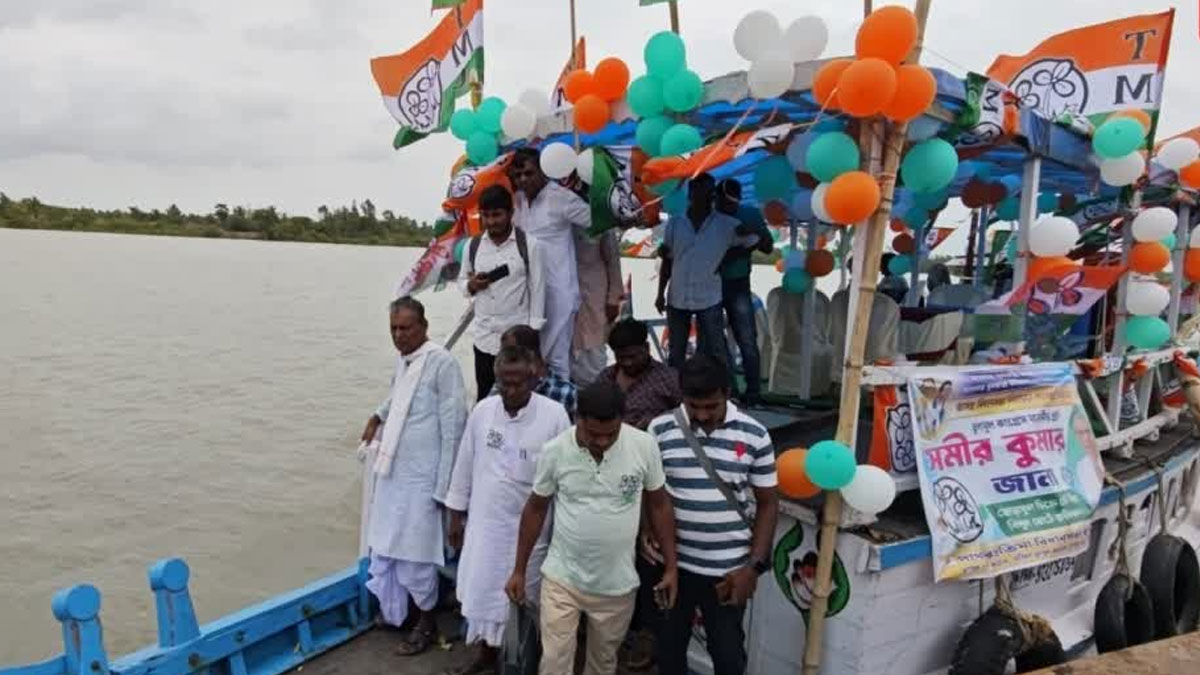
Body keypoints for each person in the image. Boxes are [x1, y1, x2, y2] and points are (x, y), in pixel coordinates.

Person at [505, 381, 680, 675]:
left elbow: (659, 505)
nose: (601, 442)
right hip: (562, 579)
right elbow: (535, 509)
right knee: (554, 663)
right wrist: (519, 570)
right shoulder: (555, 450)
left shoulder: (643, 445)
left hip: (617, 585)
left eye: (610, 435)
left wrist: (671, 567)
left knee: (603, 664)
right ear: (578, 420)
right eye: (593, 435)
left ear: (622, 421)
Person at [444, 346, 572, 675]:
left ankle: (520, 662)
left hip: (531, 529)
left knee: (525, 601)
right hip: (486, 524)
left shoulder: (555, 415)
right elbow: (464, 464)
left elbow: (564, 477)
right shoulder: (484, 411)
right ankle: (486, 655)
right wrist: (455, 515)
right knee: (483, 593)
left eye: (517, 384)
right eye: (504, 384)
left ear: (533, 378)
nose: (510, 391)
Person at [648, 355, 779, 675]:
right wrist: (645, 532)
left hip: (729, 572)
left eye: (712, 406)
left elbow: (768, 504)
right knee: (668, 654)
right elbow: (649, 495)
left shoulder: (755, 434)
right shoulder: (660, 429)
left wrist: (753, 567)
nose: (703, 415)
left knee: (728, 657)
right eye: (694, 407)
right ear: (681, 397)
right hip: (672, 569)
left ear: (727, 395)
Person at [359, 296, 468, 656]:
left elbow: (454, 427)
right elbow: (397, 398)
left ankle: (427, 624)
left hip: (424, 480)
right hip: (394, 473)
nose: (399, 335)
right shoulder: (405, 362)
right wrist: (377, 415)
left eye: (405, 328)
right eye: (393, 328)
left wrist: (445, 491)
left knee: (417, 555)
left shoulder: (441, 363)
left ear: (423, 327)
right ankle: (397, 612)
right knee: (388, 545)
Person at [655, 173, 761, 369]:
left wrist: (728, 257)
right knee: (676, 352)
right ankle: (676, 395)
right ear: (690, 194)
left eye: (708, 193)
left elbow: (754, 240)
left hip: (709, 297)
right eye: (699, 192)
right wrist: (660, 294)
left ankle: (729, 394)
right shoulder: (675, 223)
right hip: (677, 297)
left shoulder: (726, 224)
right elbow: (667, 261)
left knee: (717, 350)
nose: (705, 197)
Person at [510, 147, 592, 381]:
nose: (523, 179)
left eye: (529, 173)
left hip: (558, 293)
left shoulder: (561, 197)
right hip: (527, 293)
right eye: (518, 175)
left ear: (544, 171)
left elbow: (596, 220)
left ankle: (561, 414)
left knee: (557, 358)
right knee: (529, 356)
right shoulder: (518, 201)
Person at [461, 184, 547, 401]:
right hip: (483, 338)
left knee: (518, 395)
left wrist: (533, 337)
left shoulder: (529, 245)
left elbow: (538, 290)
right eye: (486, 216)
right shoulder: (473, 246)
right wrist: (472, 285)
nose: (491, 221)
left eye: (497, 215)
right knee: (485, 397)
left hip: (516, 342)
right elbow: (462, 283)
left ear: (510, 213)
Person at [716, 179, 772, 405]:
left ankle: (753, 391)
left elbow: (768, 247)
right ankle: (730, 391)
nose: (728, 207)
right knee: (715, 342)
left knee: (747, 339)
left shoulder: (750, 213)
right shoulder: (711, 217)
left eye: (732, 203)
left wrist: (755, 231)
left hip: (739, 283)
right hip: (710, 285)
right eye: (724, 203)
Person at [597, 318, 681, 431]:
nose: (627, 363)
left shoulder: (668, 378)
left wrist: (655, 422)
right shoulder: (605, 377)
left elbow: (684, 414)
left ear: (647, 348)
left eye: (633, 356)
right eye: (621, 357)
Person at [490, 324, 578, 419]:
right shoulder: (500, 388)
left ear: (531, 355)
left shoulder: (567, 394)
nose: (511, 392)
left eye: (510, 354)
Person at [572, 228, 623, 386]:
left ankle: (596, 394)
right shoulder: (557, 216)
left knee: (593, 346)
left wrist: (614, 299)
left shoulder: (601, 221)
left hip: (595, 297)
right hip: (564, 298)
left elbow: (613, 260)